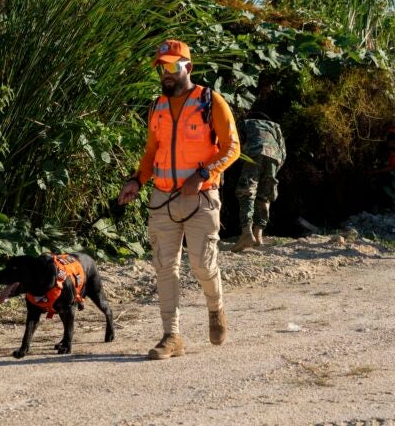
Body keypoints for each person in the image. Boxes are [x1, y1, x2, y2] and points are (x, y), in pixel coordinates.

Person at [117, 39, 240, 360]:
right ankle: (172, 336)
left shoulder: (210, 101)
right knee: (164, 267)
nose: (167, 74)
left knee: (201, 263)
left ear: (189, 67)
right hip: (162, 200)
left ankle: (216, 309)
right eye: (162, 68)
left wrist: (203, 174)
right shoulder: (156, 106)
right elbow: (151, 154)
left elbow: (232, 147)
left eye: (173, 66)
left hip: (201, 199)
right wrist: (136, 181)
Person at [231, 111, 286, 252]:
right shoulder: (275, 126)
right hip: (274, 157)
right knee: (266, 194)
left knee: (247, 191)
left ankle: (246, 232)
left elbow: (236, 143)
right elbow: (283, 152)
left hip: (253, 153)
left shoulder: (246, 123)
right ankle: (258, 233)